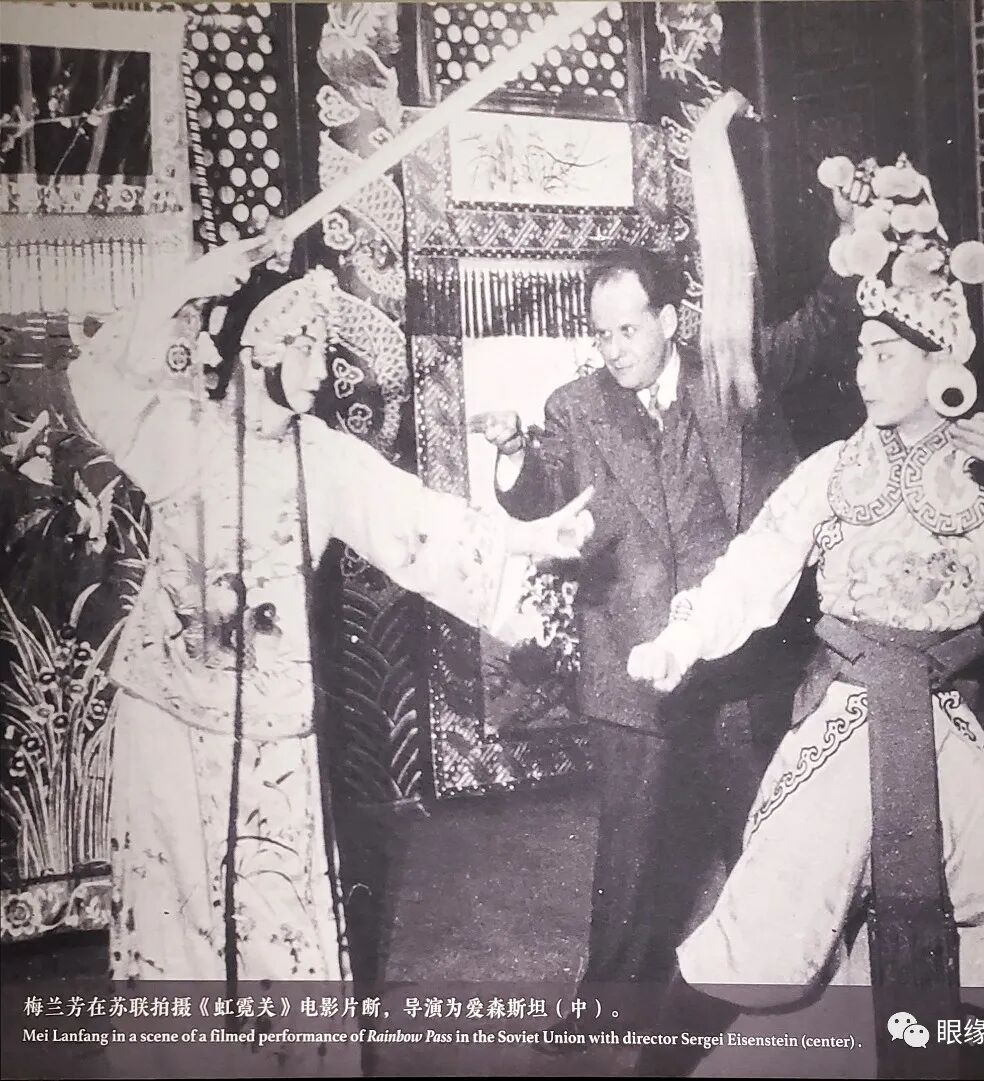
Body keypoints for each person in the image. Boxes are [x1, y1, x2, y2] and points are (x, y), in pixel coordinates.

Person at [627, 154, 984, 1074]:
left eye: (885, 354)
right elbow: (752, 565)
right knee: (766, 919)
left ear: (940, 362)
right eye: (861, 352)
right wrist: (680, 640)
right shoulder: (832, 470)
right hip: (845, 720)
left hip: (948, 725)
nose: (864, 370)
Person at [66, 240, 595, 984]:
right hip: (168, 714)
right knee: (174, 909)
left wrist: (535, 537)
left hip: (274, 719)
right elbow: (96, 375)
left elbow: (422, 522)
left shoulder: (323, 457)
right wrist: (192, 282)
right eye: (306, 349)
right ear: (259, 349)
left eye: (324, 349)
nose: (323, 370)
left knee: (277, 905)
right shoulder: (179, 438)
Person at [473, 92, 861, 1039]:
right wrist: (514, 454)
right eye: (600, 333)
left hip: (735, 664)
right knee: (630, 861)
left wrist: (856, 237)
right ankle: (602, 1015)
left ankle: (796, 1000)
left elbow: (823, 322)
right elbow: (539, 497)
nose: (612, 349)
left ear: (671, 318)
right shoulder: (574, 407)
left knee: (761, 837)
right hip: (630, 663)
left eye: (628, 329)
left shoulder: (735, 371)